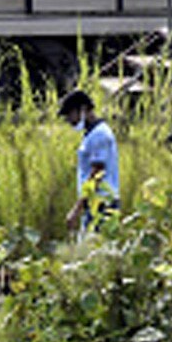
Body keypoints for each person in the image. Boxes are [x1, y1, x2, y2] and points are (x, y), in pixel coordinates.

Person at [58, 88, 120, 238]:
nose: (68, 120)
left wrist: (76, 210)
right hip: (93, 204)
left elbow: (97, 174)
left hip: (102, 205)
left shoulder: (100, 135)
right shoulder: (91, 134)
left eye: (70, 114)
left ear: (83, 109)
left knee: (95, 252)